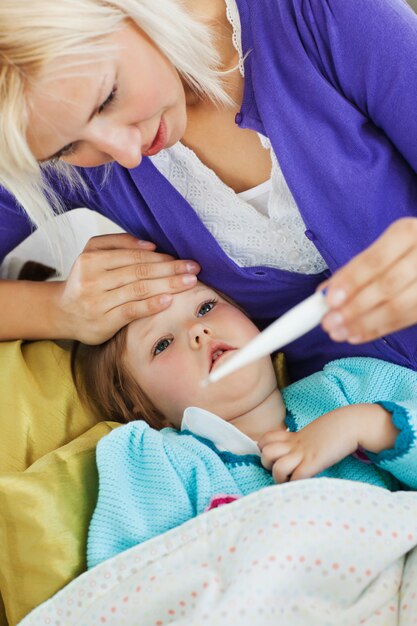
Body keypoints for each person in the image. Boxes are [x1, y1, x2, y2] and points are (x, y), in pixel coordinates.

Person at [0, 0, 417, 380]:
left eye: (108, 97)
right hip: (348, 437)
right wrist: (62, 313)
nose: (126, 154)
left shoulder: (322, 14)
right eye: (67, 148)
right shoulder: (56, 150)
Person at [74, 282, 417, 569]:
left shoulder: (346, 389)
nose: (198, 330)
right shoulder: (158, 461)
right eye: (162, 344)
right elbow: (126, 585)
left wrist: (366, 425)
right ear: (143, 405)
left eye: (206, 307)